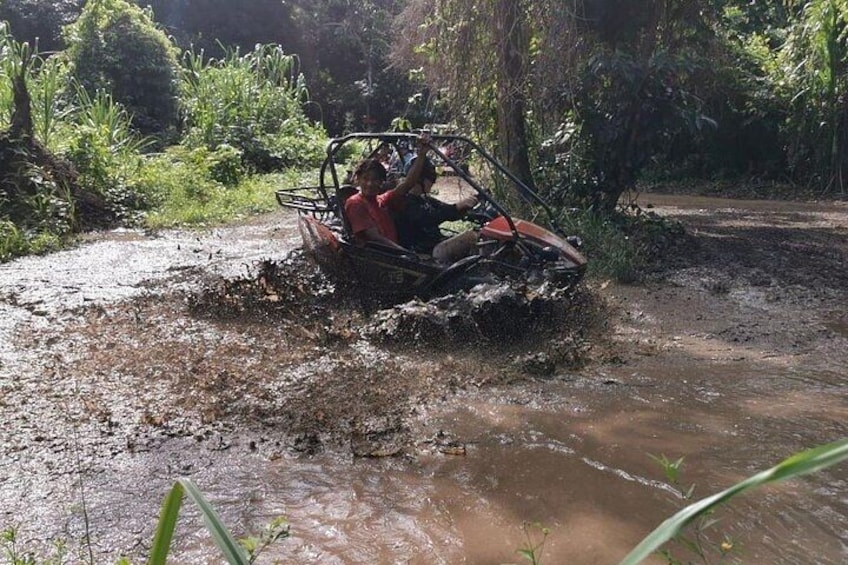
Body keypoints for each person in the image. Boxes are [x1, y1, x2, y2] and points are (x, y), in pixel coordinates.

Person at [344, 134, 430, 251]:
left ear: (381, 182)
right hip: (379, 256)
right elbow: (374, 237)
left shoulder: (381, 200)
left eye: (375, 180)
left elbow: (408, 183)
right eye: (365, 179)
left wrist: (422, 154)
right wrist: (404, 253)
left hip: (394, 252)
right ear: (358, 179)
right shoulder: (355, 203)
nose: (370, 183)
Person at [392, 157, 480, 263]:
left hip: (435, 244)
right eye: (431, 179)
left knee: (480, 235)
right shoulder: (406, 203)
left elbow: (446, 210)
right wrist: (457, 207)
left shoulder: (425, 199)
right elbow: (428, 217)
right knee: (471, 236)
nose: (433, 183)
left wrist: (465, 208)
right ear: (419, 179)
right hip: (423, 252)